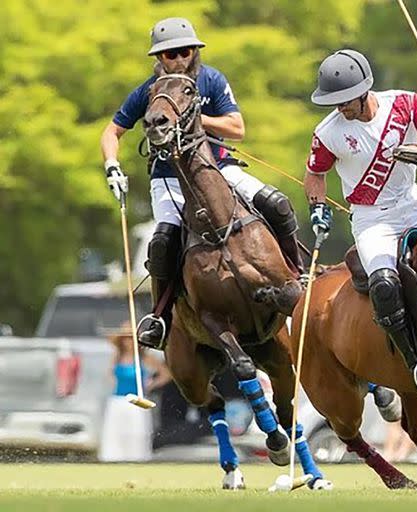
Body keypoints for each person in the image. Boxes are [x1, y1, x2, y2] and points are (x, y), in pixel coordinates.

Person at [99, 17, 305, 350]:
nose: (178, 59)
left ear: (194, 51)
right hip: (168, 179)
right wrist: (112, 166)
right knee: (162, 242)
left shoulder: (211, 80)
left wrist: (192, 115)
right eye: (170, 55)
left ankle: (299, 271)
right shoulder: (148, 92)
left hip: (218, 168)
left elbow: (237, 128)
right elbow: (112, 132)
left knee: (277, 203)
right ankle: (161, 317)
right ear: (159, 59)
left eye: (184, 51)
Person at [304, 49, 417, 395]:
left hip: (414, 202)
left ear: (363, 90)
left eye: (345, 100)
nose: (340, 107)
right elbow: (314, 175)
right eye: (333, 101)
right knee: (384, 284)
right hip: (372, 219)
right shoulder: (328, 133)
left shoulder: (405, 103)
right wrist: (317, 207)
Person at [98, 324, 170, 462]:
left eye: (132, 339)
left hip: (137, 401)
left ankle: (137, 460)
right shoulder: (117, 357)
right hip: (117, 401)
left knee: (137, 434)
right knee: (116, 434)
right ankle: (114, 460)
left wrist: (151, 384)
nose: (129, 342)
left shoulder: (144, 359)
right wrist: (113, 379)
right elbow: (110, 373)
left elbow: (166, 374)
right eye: (126, 339)